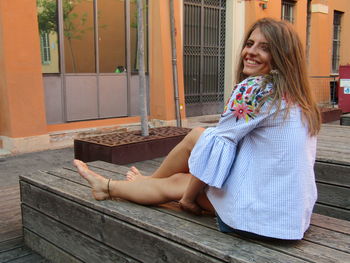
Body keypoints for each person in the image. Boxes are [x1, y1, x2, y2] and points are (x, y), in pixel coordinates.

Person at [74, 18, 321, 241]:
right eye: (250, 43)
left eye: (264, 47)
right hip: (291, 217)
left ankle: (108, 186)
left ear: (282, 55)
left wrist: (189, 198)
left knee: (179, 182)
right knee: (198, 136)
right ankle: (141, 183)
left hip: (258, 219)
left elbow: (220, 147)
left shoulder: (255, 89)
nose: (251, 52)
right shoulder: (301, 98)